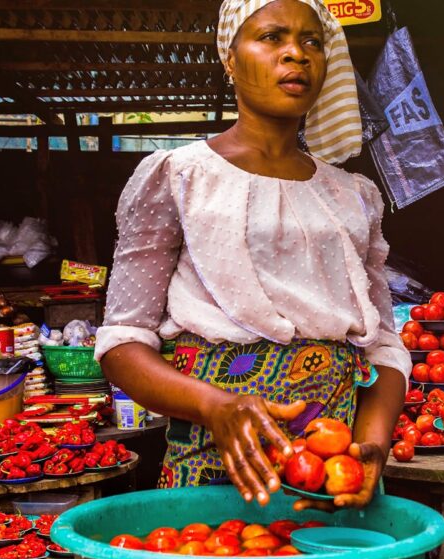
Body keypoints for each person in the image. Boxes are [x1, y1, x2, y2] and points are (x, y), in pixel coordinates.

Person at [95, 0, 410, 510]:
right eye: (271, 37)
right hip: (214, 460)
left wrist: (370, 444)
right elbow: (122, 344)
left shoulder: (352, 196)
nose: (297, 55)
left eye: (312, 42)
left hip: (331, 472)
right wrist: (217, 407)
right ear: (230, 59)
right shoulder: (178, 177)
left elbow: (384, 347)